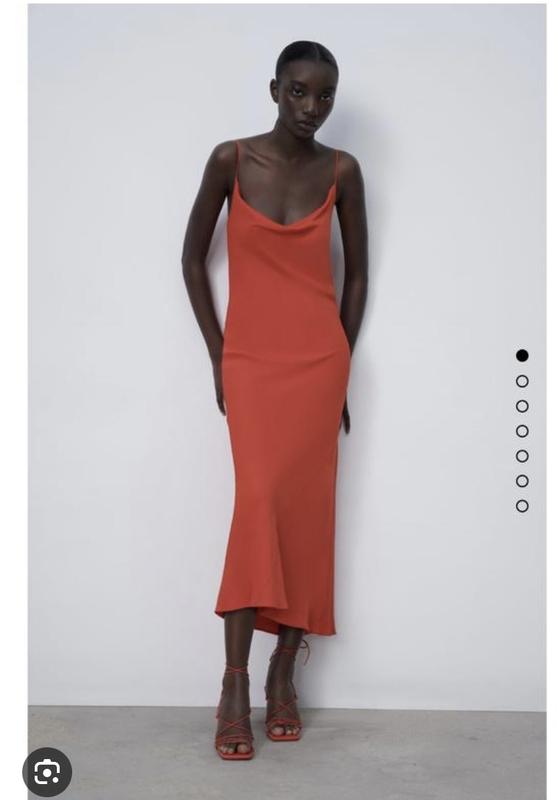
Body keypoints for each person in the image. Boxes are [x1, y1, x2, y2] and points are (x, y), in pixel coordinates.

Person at [181, 40, 368, 760]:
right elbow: (191, 258)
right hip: (253, 364)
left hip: (319, 365)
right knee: (258, 503)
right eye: (297, 91)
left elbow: (355, 277)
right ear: (273, 89)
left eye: (324, 96)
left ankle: (282, 673)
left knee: (306, 513)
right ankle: (233, 683)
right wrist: (218, 354)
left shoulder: (342, 170)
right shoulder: (230, 160)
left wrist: (342, 367)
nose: (311, 107)